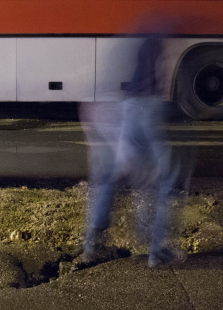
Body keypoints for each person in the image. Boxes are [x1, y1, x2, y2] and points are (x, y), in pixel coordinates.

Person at [80, 35, 187, 268]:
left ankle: (92, 244)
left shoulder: (121, 60)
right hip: (136, 113)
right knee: (166, 180)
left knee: (112, 179)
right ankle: (155, 251)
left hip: (124, 112)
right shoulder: (152, 50)